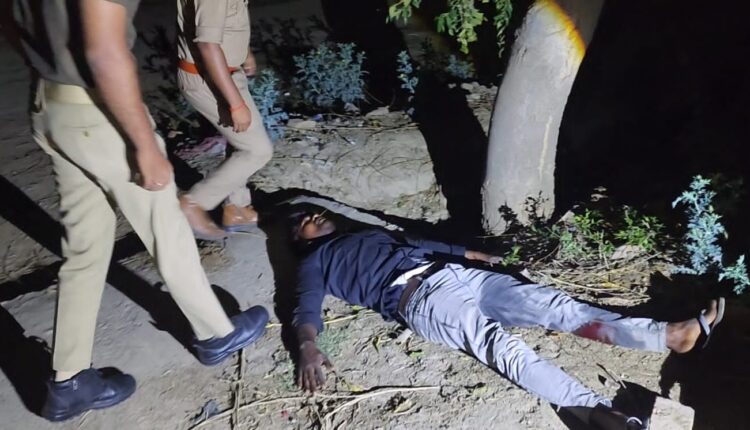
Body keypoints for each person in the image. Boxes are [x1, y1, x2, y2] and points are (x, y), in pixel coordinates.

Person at [12, 0, 269, 421]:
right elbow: (104, 52)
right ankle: (216, 333)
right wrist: (145, 145)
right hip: (99, 111)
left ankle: (69, 381)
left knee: (84, 251)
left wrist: (43, 61)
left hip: (49, 102)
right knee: (166, 229)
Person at [289, 212, 725, 429]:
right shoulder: (314, 263)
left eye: (311, 212)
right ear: (299, 241)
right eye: (302, 222)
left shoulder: (361, 233)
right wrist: (308, 344)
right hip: (420, 298)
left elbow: (417, 242)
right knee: (504, 349)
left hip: (457, 274)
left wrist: (474, 255)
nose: (312, 217)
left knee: (554, 306)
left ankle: (669, 336)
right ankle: (600, 416)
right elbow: (304, 307)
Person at [176, 0, 274, 240]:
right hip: (209, 77)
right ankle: (194, 203)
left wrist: (245, 52)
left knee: (241, 140)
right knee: (257, 150)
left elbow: (225, 23)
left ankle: (236, 208)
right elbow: (208, 45)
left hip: (224, 71)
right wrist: (236, 104)